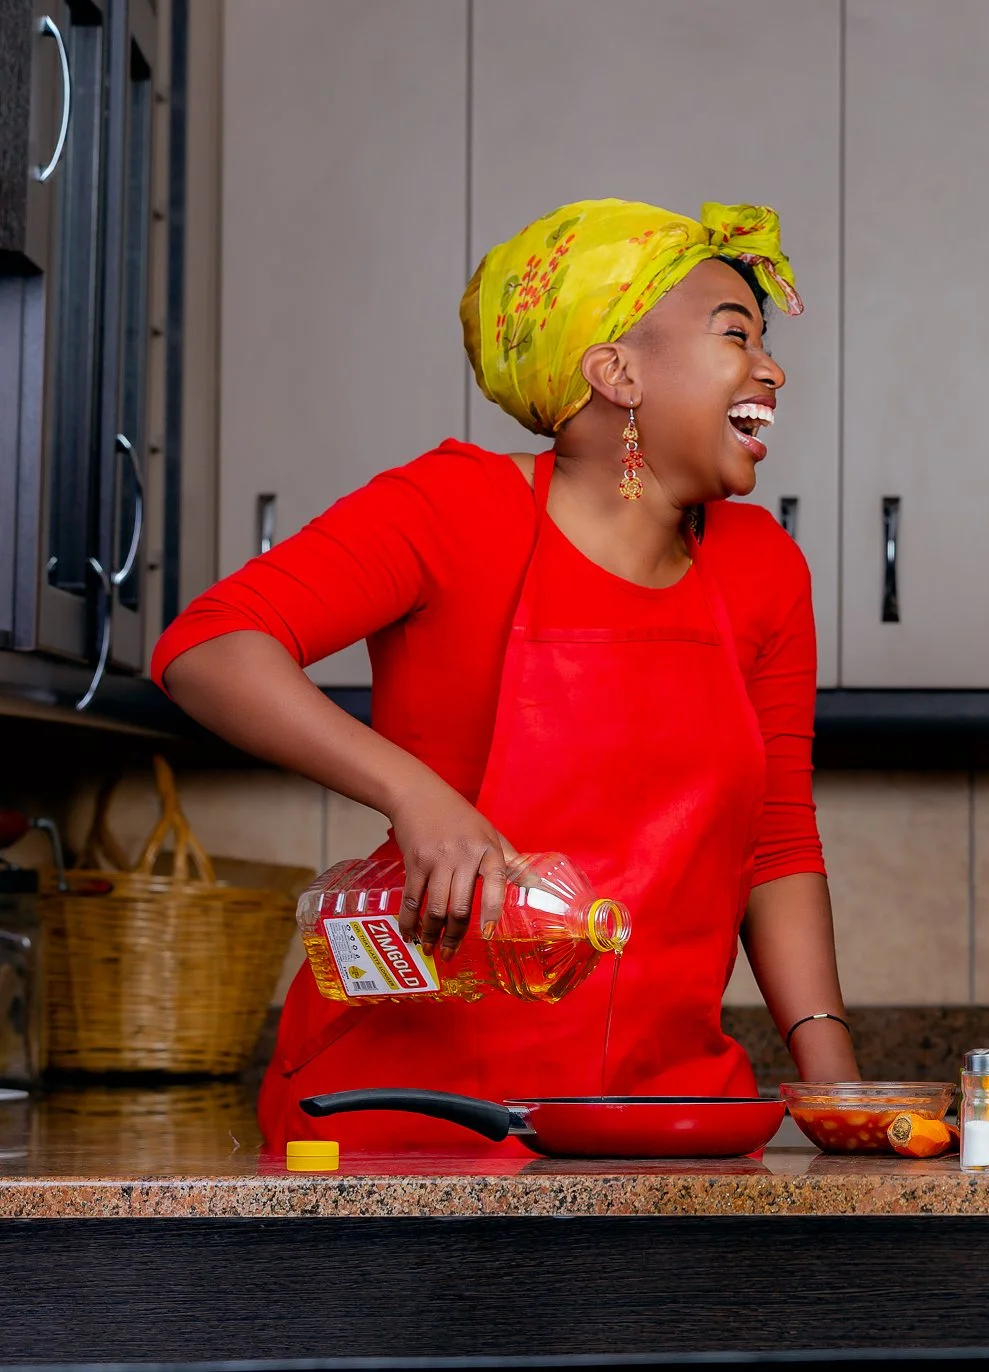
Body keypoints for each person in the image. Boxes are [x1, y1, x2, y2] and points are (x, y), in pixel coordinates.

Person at [154, 199, 859, 1151]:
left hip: (656, 1118)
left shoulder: (764, 568)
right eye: (735, 334)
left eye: (765, 342)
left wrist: (840, 1091)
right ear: (616, 371)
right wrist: (418, 797)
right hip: (407, 1119)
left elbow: (775, 842)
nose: (770, 367)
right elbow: (207, 647)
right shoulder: (455, 510)